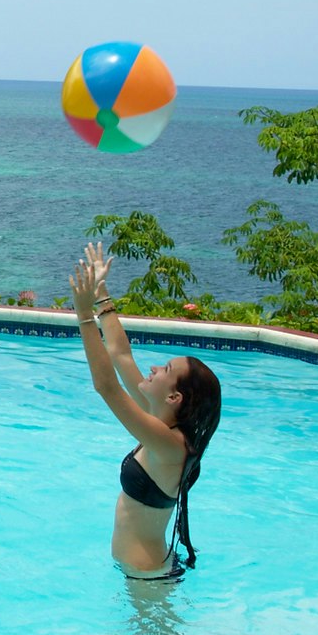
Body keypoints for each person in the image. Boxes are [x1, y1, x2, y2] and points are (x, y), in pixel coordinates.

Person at [69, 240, 222, 582]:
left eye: (165, 370)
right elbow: (120, 355)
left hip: (147, 578)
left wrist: (83, 316)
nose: (153, 368)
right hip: (144, 572)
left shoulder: (170, 445)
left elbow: (106, 386)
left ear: (174, 397)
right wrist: (101, 293)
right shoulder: (158, 426)